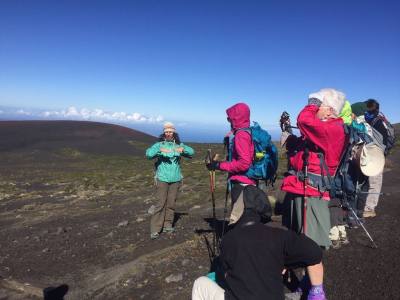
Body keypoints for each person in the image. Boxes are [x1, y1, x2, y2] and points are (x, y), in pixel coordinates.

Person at [192, 185, 326, 300]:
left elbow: (227, 276)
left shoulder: (228, 239)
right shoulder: (279, 233)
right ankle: (317, 292)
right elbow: (315, 253)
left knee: (200, 283)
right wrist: (285, 263)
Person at [280, 88, 346, 249]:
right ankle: (305, 272)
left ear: (329, 110)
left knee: (310, 246)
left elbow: (303, 120)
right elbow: (301, 148)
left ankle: (311, 273)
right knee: (299, 240)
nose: (315, 109)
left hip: (311, 192)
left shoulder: (332, 129)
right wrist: (287, 131)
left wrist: (312, 103)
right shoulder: (323, 130)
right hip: (302, 188)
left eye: (319, 106)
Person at [145, 122, 194, 239]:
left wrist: (183, 149)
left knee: (171, 204)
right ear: (164, 132)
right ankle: (155, 229)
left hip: (176, 179)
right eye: (166, 131)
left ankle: (167, 225)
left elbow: (191, 152)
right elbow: (148, 154)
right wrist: (161, 151)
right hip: (162, 178)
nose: (168, 133)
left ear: (174, 132)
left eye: (170, 131)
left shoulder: (178, 145)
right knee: (160, 203)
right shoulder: (159, 144)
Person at [206, 102, 255, 207]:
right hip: (246, 180)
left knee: (240, 217)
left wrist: (219, 165)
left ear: (236, 118)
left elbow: (244, 163)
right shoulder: (246, 131)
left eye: (230, 118)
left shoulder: (241, 135)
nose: (229, 121)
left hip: (242, 182)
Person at [362, 99, 388, 218]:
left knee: (372, 182)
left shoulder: (371, 122)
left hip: (373, 156)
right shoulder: (379, 121)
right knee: (373, 182)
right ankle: (367, 207)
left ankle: (369, 208)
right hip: (376, 156)